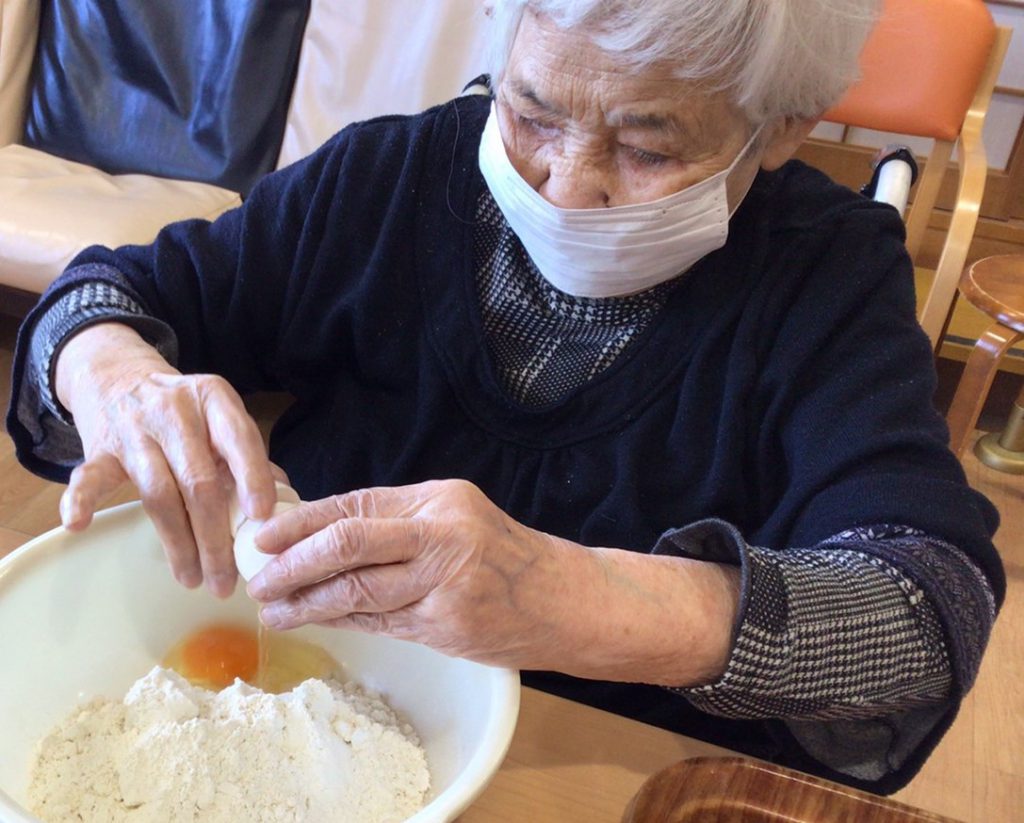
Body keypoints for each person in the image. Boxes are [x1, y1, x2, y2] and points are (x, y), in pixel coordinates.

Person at [6, 0, 1003, 795]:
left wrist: (584, 599)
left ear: (778, 128)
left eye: (649, 149)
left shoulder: (823, 278)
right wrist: (114, 373)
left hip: (614, 771)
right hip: (309, 716)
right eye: (530, 114)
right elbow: (105, 295)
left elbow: (924, 614)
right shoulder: (388, 179)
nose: (567, 184)